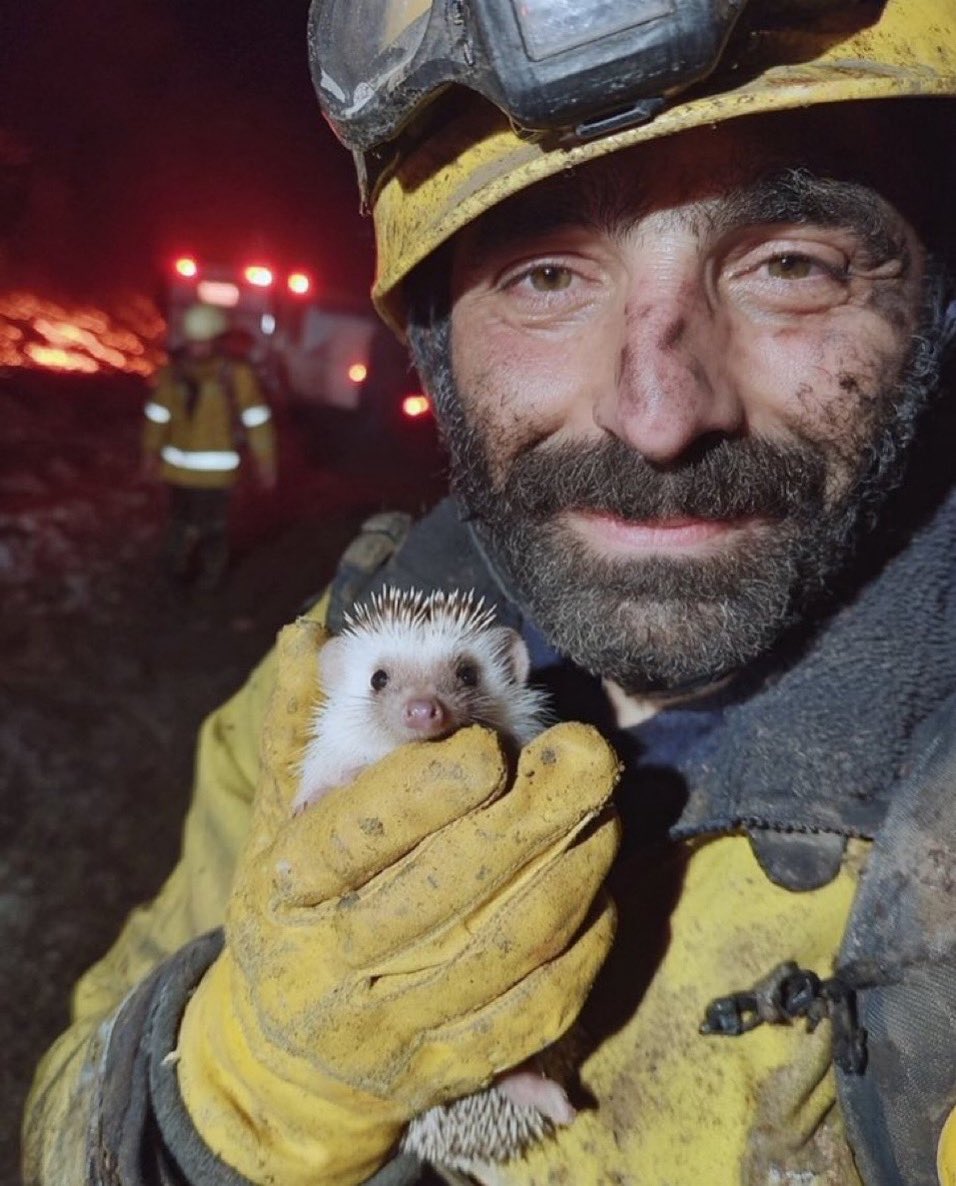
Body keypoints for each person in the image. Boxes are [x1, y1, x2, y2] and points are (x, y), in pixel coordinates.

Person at [21, 3, 956, 1185]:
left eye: (790, 266)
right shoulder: (326, 661)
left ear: (933, 311)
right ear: (435, 344)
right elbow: (62, 1115)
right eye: (545, 274)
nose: (657, 413)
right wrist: (217, 1107)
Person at [142, 302, 277, 590]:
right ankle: (174, 578)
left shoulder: (236, 376)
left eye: (203, 342)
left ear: (218, 341)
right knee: (179, 525)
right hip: (178, 473)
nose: (197, 349)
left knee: (213, 530)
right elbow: (158, 417)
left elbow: (257, 422)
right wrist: (150, 453)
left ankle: (209, 581)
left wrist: (265, 462)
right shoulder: (172, 374)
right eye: (193, 342)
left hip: (217, 476)